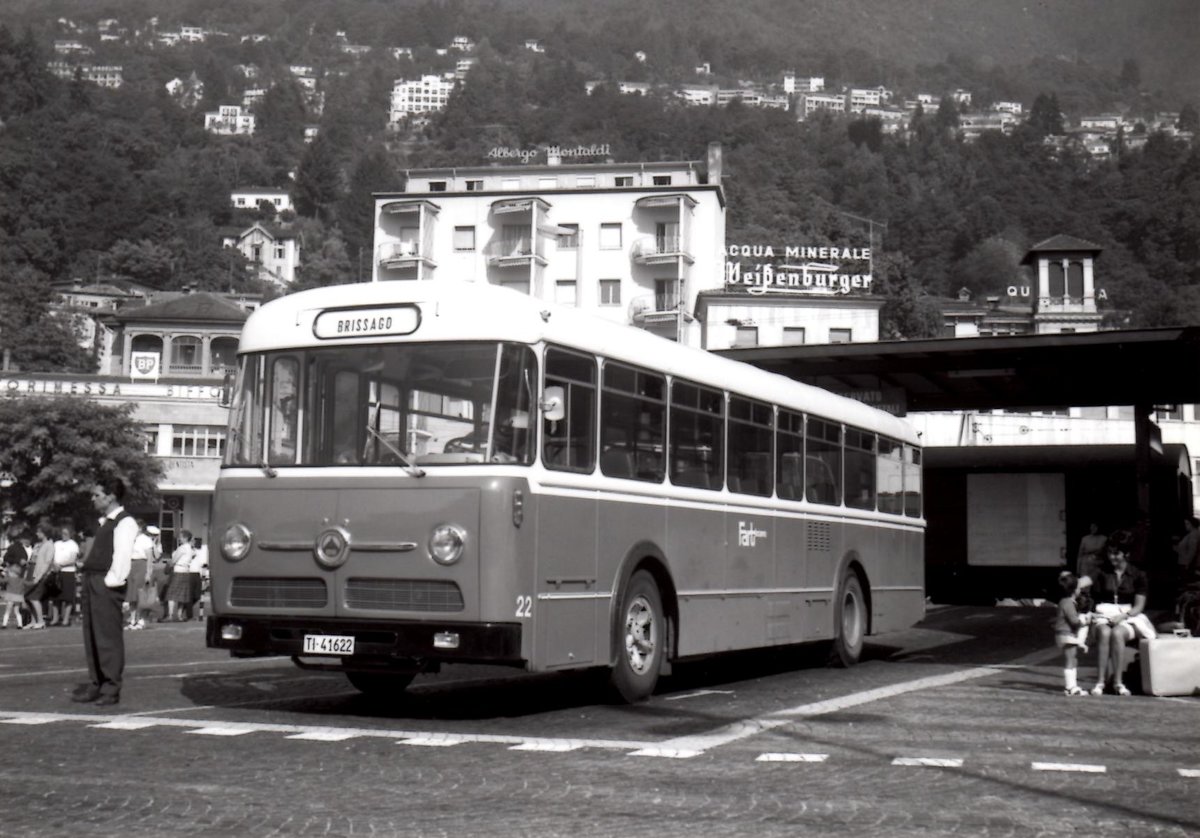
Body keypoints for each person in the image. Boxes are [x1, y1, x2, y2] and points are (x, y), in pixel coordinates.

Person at [73, 478, 137, 706]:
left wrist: (111, 583)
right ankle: (96, 683)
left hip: (105, 583)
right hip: (93, 580)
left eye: (97, 494)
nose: (93, 499)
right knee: (91, 635)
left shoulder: (124, 522)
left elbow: (121, 556)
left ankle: (110, 687)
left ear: (110, 496)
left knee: (107, 636)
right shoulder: (104, 522)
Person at [1090, 534, 1149, 697]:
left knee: (1117, 633)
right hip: (1105, 614)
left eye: (1116, 554)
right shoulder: (1102, 572)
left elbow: (1139, 606)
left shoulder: (1138, 574)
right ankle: (1100, 682)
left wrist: (1122, 617)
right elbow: (1090, 589)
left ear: (1126, 555)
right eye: (1110, 553)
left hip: (1129, 616)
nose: (1112, 557)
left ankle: (1118, 682)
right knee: (1104, 632)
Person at [1054, 571, 1094, 696]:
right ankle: (1071, 687)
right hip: (1066, 634)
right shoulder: (1068, 603)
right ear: (1074, 590)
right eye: (1078, 587)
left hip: (1064, 634)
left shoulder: (1064, 602)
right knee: (1070, 659)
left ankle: (1072, 686)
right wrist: (1084, 621)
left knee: (1072, 659)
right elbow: (1074, 621)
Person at [22, 521, 57, 630]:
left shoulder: (50, 545)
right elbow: (32, 559)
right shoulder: (37, 545)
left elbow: (47, 562)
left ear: (45, 533)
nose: (37, 534)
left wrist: (39, 576)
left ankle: (41, 621)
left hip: (40, 574)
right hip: (31, 571)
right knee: (28, 597)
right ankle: (33, 621)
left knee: (34, 597)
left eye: (39, 532)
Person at [126, 521, 161, 630]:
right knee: (131, 595)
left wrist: (148, 573)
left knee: (141, 594)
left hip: (142, 565)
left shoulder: (145, 540)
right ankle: (132, 620)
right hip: (131, 565)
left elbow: (150, 557)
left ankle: (141, 619)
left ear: (140, 528)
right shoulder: (130, 539)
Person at [51, 523, 80, 627]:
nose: (64, 535)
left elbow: (72, 559)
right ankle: (55, 619)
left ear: (70, 534)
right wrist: (54, 565)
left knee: (67, 597)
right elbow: (51, 556)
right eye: (62, 533)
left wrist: (61, 565)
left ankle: (66, 619)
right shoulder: (56, 544)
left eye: (66, 533)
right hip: (57, 572)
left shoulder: (73, 545)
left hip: (68, 572)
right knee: (56, 597)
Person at [166, 530, 194, 622]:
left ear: (185, 538)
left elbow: (174, 560)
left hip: (178, 570)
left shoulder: (182, 548)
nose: (180, 539)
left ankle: (170, 615)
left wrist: (168, 566)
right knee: (182, 595)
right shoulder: (190, 548)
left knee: (172, 594)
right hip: (186, 571)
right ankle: (179, 615)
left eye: (181, 537)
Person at [188, 536, 208, 620]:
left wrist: (206, 576)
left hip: (198, 574)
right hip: (189, 572)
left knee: (197, 595)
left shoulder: (201, 552)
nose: (195, 543)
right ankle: (189, 615)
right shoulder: (188, 550)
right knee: (190, 595)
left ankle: (186, 607)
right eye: (193, 541)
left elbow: (204, 564)